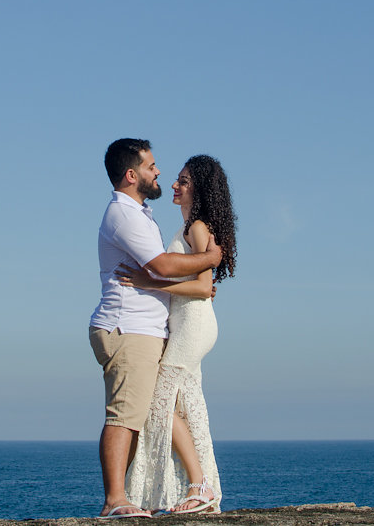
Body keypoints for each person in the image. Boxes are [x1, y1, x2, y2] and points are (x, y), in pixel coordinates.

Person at [90, 139, 223, 519]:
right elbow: (162, 265)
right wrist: (209, 259)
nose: (159, 172)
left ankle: (192, 485)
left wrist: (184, 278)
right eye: (151, 166)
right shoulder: (126, 215)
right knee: (130, 413)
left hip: (157, 328)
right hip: (129, 328)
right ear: (132, 175)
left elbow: (186, 280)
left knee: (154, 407)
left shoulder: (144, 214)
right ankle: (120, 498)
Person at [120, 154, 237, 514]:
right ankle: (201, 489)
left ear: (199, 190)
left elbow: (202, 287)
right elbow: (200, 284)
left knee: (157, 401)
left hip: (193, 326)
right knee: (186, 407)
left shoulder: (197, 227)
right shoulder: (188, 227)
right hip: (186, 324)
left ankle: (199, 485)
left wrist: (150, 283)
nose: (174, 184)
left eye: (183, 181)